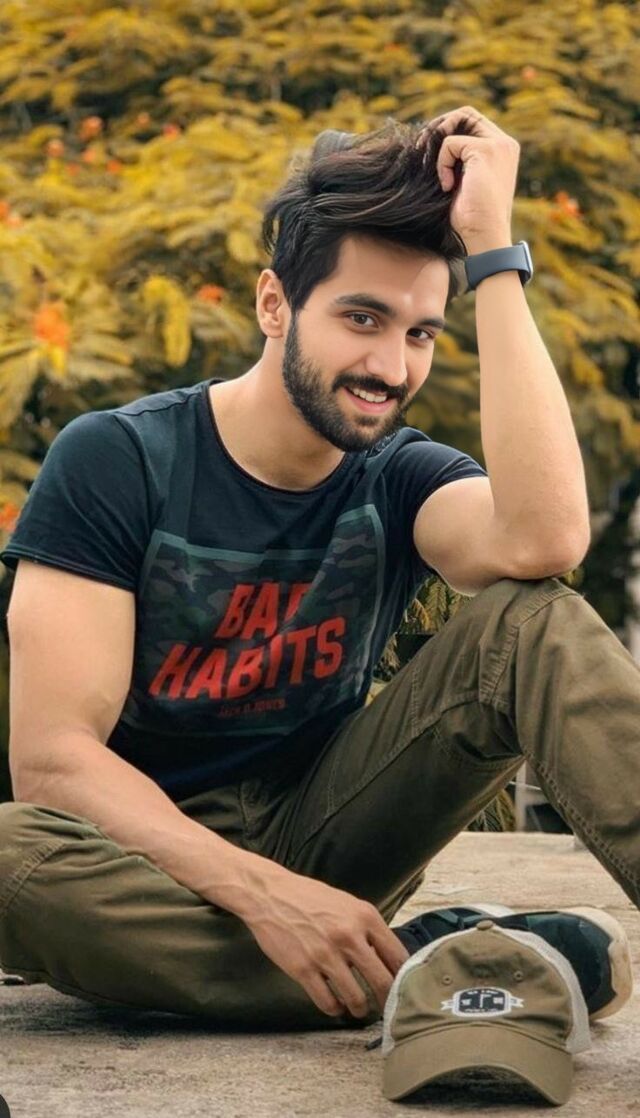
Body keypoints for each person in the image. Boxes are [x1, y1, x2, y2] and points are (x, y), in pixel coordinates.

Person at [0, 106, 637, 1033]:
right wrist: (265, 898)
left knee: (530, 621)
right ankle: (424, 962)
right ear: (275, 304)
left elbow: (545, 544)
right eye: (362, 318)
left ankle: (355, 970)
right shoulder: (119, 458)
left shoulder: (401, 475)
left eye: (420, 333)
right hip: (145, 866)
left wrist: (494, 253)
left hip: (334, 841)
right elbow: (54, 760)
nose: (390, 366)